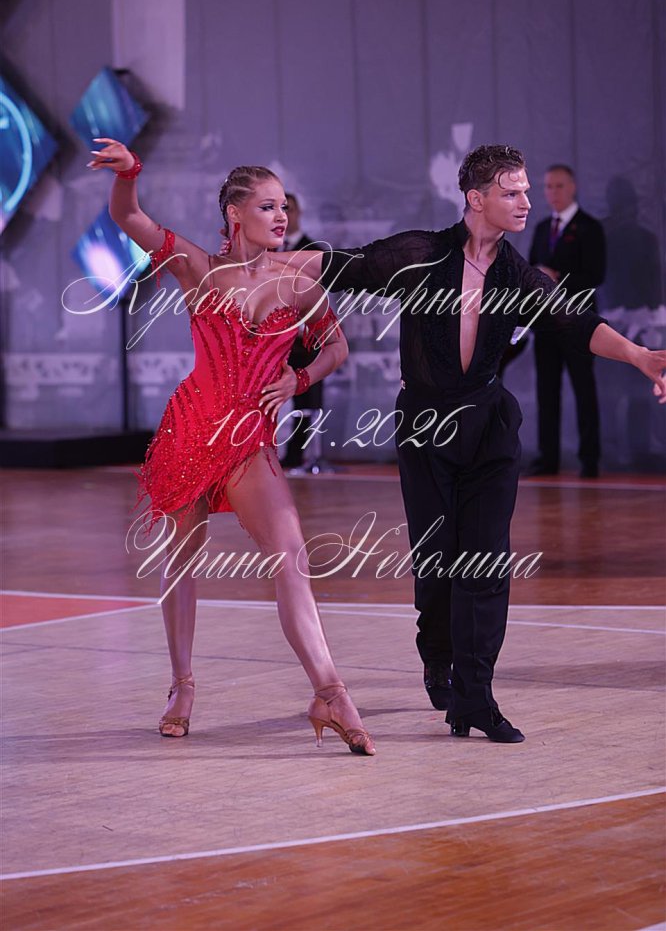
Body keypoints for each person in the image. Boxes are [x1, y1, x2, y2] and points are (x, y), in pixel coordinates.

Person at [276, 144, 666, 743]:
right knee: (437, 562)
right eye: (512, 192)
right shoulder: (419, 254)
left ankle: (475, 698)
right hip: (425, 429)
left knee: (485, 562)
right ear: (475, 199)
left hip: (488, 429)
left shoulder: (516, 273)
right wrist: (257, 261)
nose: (526, 202)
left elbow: (573, 321)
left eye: (527, 191)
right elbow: (340, 265)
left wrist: (640, 356)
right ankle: (437, 657)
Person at [86, 137, 375, 755]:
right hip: (191, 431)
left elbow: (337, 348)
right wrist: (130, 172)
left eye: (284, 207)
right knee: (181, 561)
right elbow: (127, 216)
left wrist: (299, 379)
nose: (281, 217)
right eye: (268, 207)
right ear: (235, 214)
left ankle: (330, 692)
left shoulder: (300, 281)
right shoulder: (196, 266)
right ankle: (182, 686)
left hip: (249, 441)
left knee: (291, 556)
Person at [526, 164, 606, 477]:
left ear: (572, 187)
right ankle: (548, 458)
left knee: (584, 388)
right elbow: (530, 270)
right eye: (548, 186)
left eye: (559, 186)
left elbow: (595, 275)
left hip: (578, 323)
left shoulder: (589, 228)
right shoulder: (542, 228)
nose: (553, 192)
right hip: (546, 323)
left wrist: (557, 277)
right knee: (547, 391)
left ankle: (590, 459)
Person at [281, 193, 327, 469]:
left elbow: (318, 297)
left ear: (298, 213)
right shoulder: (267, 250)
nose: (284, 215)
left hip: (303, 338)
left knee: (306, 397)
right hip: (270, 338)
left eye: (288, 209)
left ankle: (301, 455)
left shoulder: (313, 250)